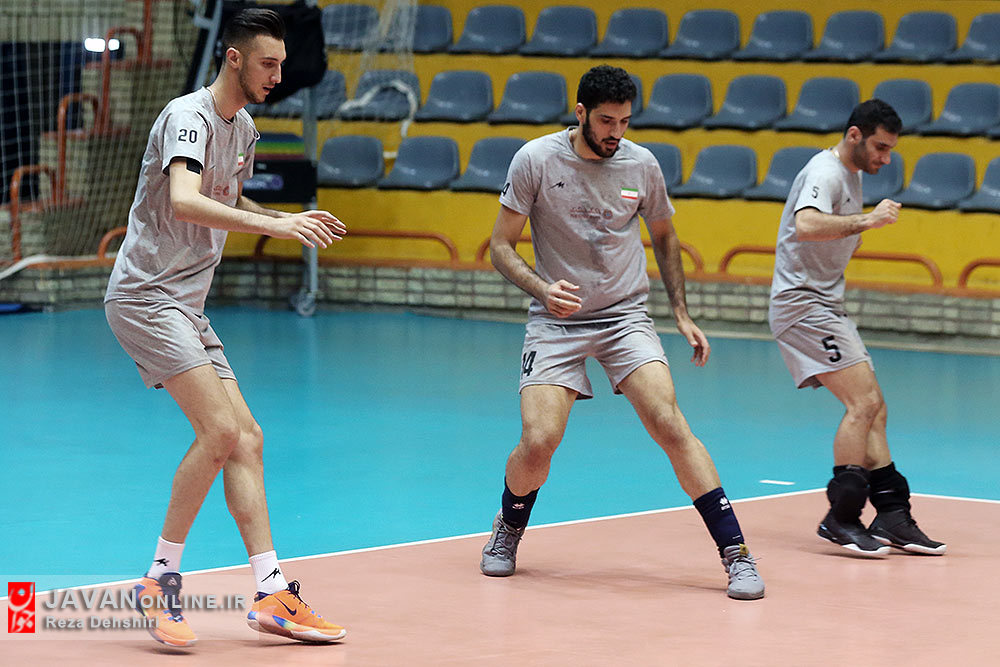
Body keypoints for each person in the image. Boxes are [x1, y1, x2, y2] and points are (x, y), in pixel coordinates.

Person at [104, 8, 348, 647]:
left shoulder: (244, 128)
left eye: (282, 64)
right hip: (146, 296)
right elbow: (185, 200)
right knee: (218, 431)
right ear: (234, 58)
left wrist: (284, 217)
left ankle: (271, 593)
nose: (278, 75)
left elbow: (227, 196)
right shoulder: (187, 117)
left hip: (187, 305)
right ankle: (159, 581)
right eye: (268, 63)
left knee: (247, 439)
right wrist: (276, 227)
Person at [479, 65, 765, 600]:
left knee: (670, 423)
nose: (616, 132)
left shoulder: (642, 164)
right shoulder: (535, 160)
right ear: (581, 113)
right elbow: (499, 246)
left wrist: (680, 313)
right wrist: (542, 289)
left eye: (625, 121)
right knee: (539, 441)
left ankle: (737, 555)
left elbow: (665, 236)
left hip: (625, 317)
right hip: (557, 320)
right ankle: (508, 527)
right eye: (606, 121)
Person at [768, 99, 946, 558]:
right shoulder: (825, 172)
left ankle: (892, 514)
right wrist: (868, 220)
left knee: (875, 409)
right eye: (880, 148)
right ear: (854, 136)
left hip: (825, 304)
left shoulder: (851, 174)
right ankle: (842, 516)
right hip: (803, 305)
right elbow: (806, 224)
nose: (885, 159)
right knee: (862, 402)